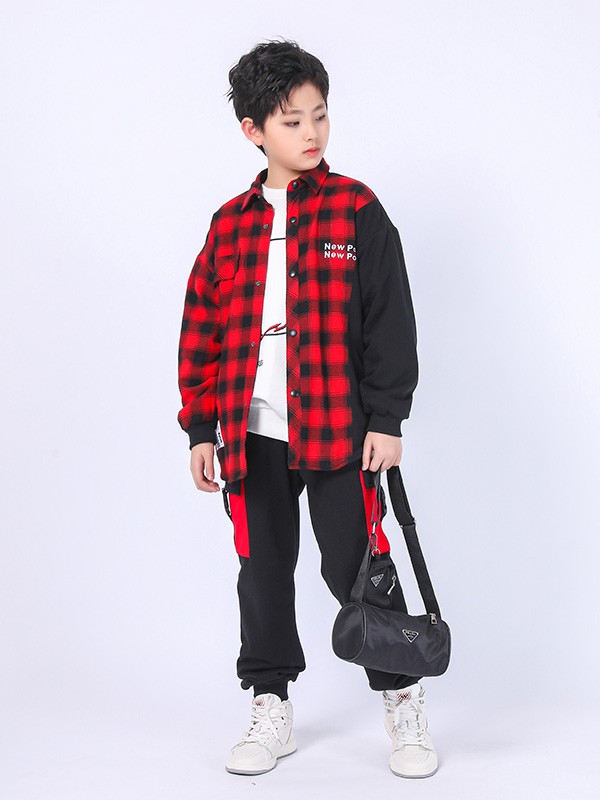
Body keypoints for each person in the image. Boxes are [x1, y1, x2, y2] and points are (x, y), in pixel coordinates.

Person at [177, 38, 438, 779]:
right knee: (261, 570)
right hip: (251, 431)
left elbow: (391, 320)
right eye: (292, 121)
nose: (312, 133)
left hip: (336, 429)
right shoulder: (229, 224)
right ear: (254, 130)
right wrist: (201, 427)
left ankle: (403, 697)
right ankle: (270, 704)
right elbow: (201, 326)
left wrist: (386, 418)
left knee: (357, 566)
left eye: (320, 115)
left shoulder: (357, 210)